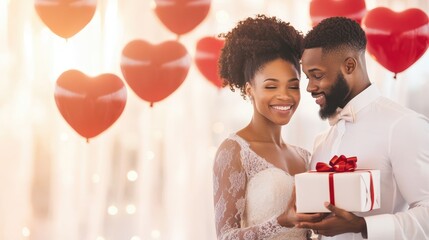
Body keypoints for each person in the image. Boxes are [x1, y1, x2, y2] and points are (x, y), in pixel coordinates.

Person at [296, 16, 429, 239]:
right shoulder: (322, 140)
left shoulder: (403, 126)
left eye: (317, 75)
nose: (310, 87)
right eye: (308, 77)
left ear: (349, 65)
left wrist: (362, 225)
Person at [212, 14, 324, 239]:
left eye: (292, 86)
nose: (284, 96)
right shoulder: (235, 151)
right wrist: (282, 221)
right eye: (271, 86)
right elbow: (225, 236)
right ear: (249, 89)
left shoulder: (305, 156)